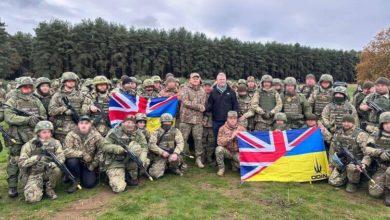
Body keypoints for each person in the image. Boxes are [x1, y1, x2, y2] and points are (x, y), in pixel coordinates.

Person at [4, 76, 47, 198]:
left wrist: (38, 121)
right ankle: (12, 186)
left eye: (29, 87)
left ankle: (34, 183)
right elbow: (9, 117)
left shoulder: (35, 100)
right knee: (15, 160)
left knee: (35, 157)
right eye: (25, 87)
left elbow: (43, 115)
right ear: (20, 88)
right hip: (16, 135)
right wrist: (27, 119)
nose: (27, 89)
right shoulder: (12, 101)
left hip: (33, 134)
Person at [18, 121, 64, 202]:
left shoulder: (55, 142)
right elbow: (22, 163)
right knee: (32, 199)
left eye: (49, 132)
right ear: (38, 133)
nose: (47, 134)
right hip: (34, 174)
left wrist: (53, 164)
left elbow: (61, 157)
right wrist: (36, 158)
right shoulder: (29, 145)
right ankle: (38, 186)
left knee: (57, 170)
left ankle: (49, 188)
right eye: (44, 132)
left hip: (48, 171)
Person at [105, 115, 150, 191]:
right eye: (128, 122)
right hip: (116, 161)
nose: (130, 125)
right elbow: (105, 146)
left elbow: (144, 147)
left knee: (142, 157)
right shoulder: (114, 132)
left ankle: (129, 175)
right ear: (124, 122)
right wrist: (118, 149)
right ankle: (112, 176)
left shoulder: (138, 133)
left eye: (132, 123)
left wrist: (142, 159)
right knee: (118, 188)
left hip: (131, 161)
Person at [328, 115, 372, 193]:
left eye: (349, 122)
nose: (346, 124)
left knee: (352, 168)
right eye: (344, 122)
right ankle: (346, 177)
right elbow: (333, 148)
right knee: (333, 181)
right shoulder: (338, 133)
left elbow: (367, 152)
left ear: (353, 123)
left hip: (356, 162)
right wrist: (331, 164)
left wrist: (363, 164)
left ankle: (353, 183)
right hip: (342, 161)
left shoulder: (360, 134)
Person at [63, 116, 107, 192]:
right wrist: (82, 154)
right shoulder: (71, 134)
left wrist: (93, 165)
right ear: (78, 124)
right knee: (71, 161)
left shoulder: (96, 135)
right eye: (81, 123)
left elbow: (102, 149)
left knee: (89, 185)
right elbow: (66, 151)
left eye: (86, 123)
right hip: (76, 162)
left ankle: (91, 174)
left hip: (88, 164)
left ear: (90, 124)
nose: (83, 125)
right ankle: (75, 181)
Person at [179, 72, 206, 168]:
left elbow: (203, 104)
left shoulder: (202, 91)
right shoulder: (184, 88)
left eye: (197, 78)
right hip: (186, 119)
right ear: (190, 79)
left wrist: (200, 106)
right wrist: (198, 106)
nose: (195, 80)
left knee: (198, 139)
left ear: (199, 80)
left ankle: (198, 158)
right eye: (193, 78)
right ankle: (179, 159)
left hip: (198, 120)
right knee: (182, 139)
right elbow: (185, 102)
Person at [206, 72, 239, 152]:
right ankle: (217, 158)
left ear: (226, 80)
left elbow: (235, 106)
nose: (222, 81)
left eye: (223, 79)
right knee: (217, 139)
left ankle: (230, 156)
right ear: (217, 80)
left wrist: (235, 119)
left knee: (230, 138)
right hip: (216, 121)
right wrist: (204, 110)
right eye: (220, 79)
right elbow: (209, 106)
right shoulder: (213, 92)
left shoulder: (231, 92)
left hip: (229, 122)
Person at [48, 72, 84, 143]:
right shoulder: (57, 95)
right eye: (69, 81)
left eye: (73, 81)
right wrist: (64, 109)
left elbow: (86, 108)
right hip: (61, 130)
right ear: (64, 82)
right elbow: (51, 111)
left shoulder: (80, 95)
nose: (71, 83)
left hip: (77, 127)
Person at [364, 112, 390, 206]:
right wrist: (380, 153)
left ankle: (388, 193)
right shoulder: (376, 135)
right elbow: (367, 149)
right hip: (381, 167)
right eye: (386, 123)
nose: (388, 125)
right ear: (381, 124)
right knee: (374, 193)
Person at [149, 113, 185, 179]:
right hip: (160, 156)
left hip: (172, 154)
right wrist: (161, 152)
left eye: (169, 122)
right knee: (154, 174)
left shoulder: (176, 131)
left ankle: (174, 167)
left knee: (175, 159)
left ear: (171, 122)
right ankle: (165, 166)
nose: (167, 123)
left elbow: (180, 143)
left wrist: (176, 153)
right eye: (165, 122)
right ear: (161, 122)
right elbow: (151, 145)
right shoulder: (156, 132)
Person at [215, 111, 246, 176]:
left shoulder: (242, 129)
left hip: (237, 153)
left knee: (245, 165)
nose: (232, 120)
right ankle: (221, 168)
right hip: (227, 151)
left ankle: (234, 164)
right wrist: (230, 138)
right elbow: (219, 142)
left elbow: (246, 143)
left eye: (234, 118)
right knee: (219, 149)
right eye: (230, 118)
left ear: (237, 119)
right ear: (227, 119)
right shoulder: (222, 128)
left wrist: (238, 137)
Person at [202, 80, 215, 165]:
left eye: (209, 86)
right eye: (206, 86)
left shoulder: (214, 96)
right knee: (202, 140)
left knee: (211, 141)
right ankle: (202, 157)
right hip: (202, 122)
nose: (207, 88)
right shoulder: (200, 96)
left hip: (212, 122)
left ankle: (209, 157)